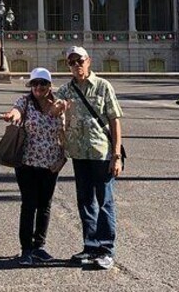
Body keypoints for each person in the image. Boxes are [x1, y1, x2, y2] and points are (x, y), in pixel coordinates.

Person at [56, 46, 124, 270]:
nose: (76, 65)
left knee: (104, 201)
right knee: (85, 201)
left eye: (80, 61)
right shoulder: (66, 90)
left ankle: (106, 249)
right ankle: (91, 245)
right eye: (72, 62)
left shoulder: (103, 86)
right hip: (79, 153)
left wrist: (116, 155)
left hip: (101, 153)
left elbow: (114, 120)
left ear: (89, 61)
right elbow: (51, 109)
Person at [0, 67, 67, 266]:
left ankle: (39, 247)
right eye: (34, 84)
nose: (38, 87)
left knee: (44, 206)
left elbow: (64, 134)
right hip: (27, 163)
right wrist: (12, 116)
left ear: (49, 85)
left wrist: (62, 159)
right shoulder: (25, 102)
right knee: (29, 205)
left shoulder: (59, 105)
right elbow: (17, 112)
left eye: (42, 83)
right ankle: (26, 249)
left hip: (51, 165)